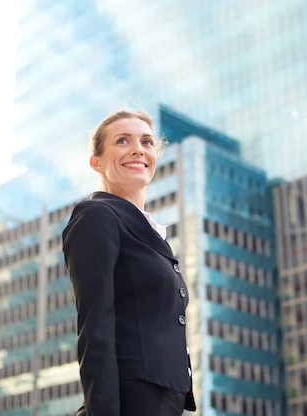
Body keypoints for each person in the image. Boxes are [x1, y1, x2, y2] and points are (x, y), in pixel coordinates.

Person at [62, 109, 196, 416]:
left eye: (147, 142)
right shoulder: (96, 215)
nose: (138, 148)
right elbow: (95, 325)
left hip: (165, 401)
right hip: (131, 399)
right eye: (123, 141)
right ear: (97, 162)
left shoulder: (154, 234)